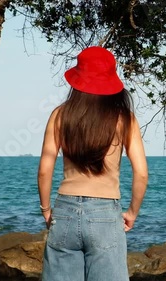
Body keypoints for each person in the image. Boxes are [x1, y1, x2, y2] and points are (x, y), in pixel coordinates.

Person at [37, 46, 148, 281]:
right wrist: (132, 213)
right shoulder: (124, 119)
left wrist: (47, 211)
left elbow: (45, 171)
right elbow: (141, 174)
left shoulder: (60, 115)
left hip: (64, 211)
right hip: (105, 215)